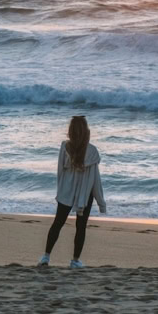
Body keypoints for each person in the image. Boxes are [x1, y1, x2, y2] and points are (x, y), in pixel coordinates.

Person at [38, 115, 106, 268]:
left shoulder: (65, 147)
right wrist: (101, 202)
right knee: (80, 226)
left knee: (58, 223)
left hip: (66, 190)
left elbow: (60, 171)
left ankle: (46, 257)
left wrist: (61, 190)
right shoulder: (93, 151)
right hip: (85, 193)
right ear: (86, 131)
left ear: (70, 131)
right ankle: (75, 261)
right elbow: (96, 179)